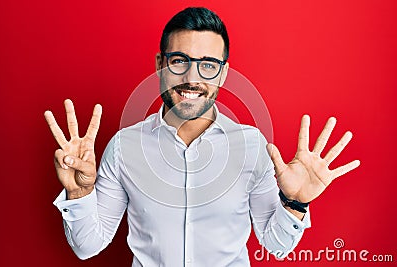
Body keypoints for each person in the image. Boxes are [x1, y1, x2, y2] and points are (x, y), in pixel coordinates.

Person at [44, 7, 360, 267]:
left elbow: (277, 246)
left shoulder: (251, 146)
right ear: (160, 65)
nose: (192, 78)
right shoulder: (125, 148)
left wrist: (295, 202)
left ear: (223, 73)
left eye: (208, 65)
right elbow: (87, 246)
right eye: (179, 61)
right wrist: (80, 192)